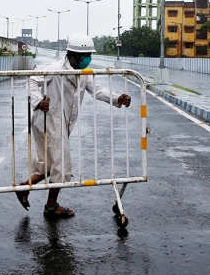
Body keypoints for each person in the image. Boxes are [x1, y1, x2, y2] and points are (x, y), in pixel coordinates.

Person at [15, 32, 132, 218]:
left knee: (48, 165)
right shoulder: (54, 68)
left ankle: (23, 187)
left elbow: (98, 91)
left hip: (57, 123)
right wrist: (38, 101)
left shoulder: (83, 74)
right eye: (86, 56)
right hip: (49, 121)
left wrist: (118, 98)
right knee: (61, 166)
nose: (88, 60)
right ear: (74, 55)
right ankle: (51, 206)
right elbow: (31, 81)